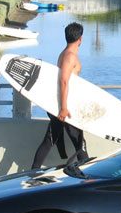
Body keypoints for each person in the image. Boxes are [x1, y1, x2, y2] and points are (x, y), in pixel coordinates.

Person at [31, 22, 88, 169]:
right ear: (80, 39)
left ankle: (33, 171)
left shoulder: (65, 53)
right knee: (79, 143)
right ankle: (89, 178)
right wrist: (63, 108)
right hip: (65, 107)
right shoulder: (70, 56)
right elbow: (63, 81)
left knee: (50, 140)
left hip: (61, 105)